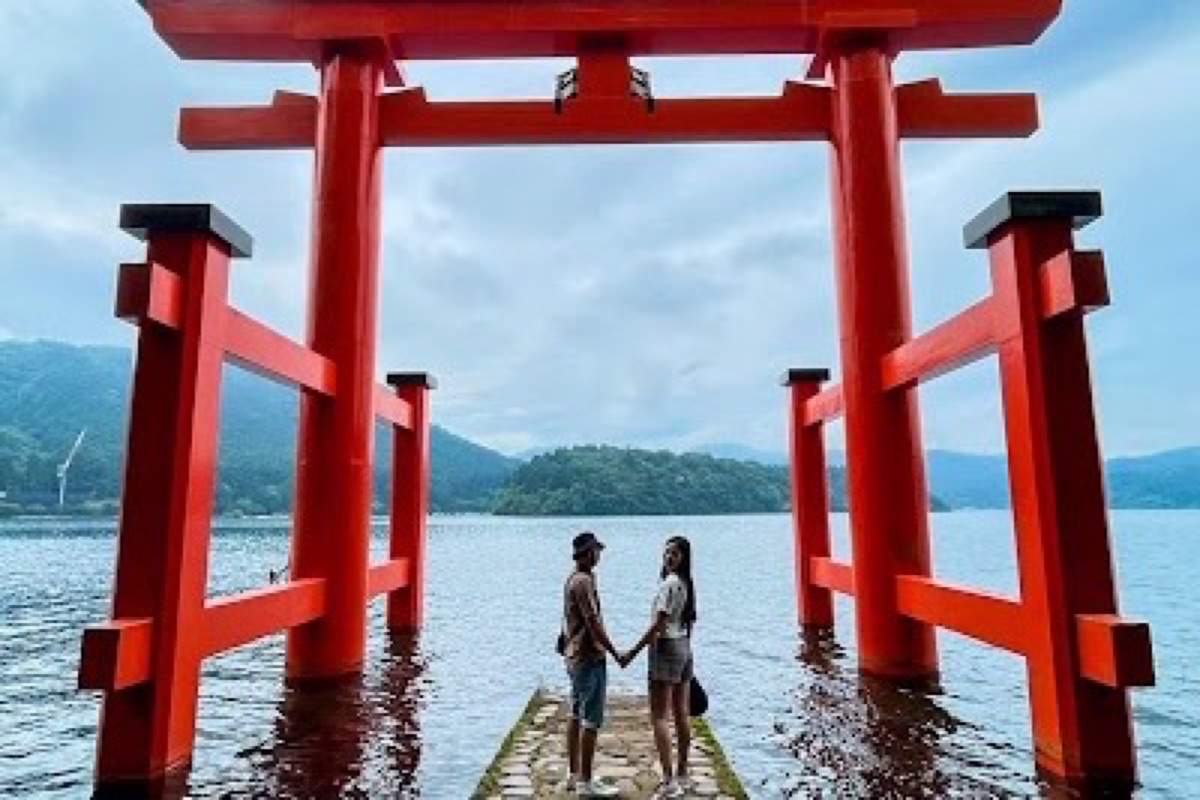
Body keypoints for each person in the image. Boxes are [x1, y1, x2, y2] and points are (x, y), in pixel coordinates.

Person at [620, 535, 696, 799]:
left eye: (674, 553)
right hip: (684, 646)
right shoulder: (686, 583)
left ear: (683, 557)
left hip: (666, 648)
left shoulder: (669, 584)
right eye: (666, 553)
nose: (668, 557)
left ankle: (669, 780)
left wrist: (632, 652)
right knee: (681, 713)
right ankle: (683, 772)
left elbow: (658, 626)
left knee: (660, 716)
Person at [561, 531, 623, 798]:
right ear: (588, 552)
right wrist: (615, 652)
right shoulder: (583, 582)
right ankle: (585, 781)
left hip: (574, 655)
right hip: (588, 657)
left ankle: (575, 772)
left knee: (576, 713)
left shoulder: (573, 578)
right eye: (596, 550)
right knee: (591, 719)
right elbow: (593, 624)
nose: (599, 554)